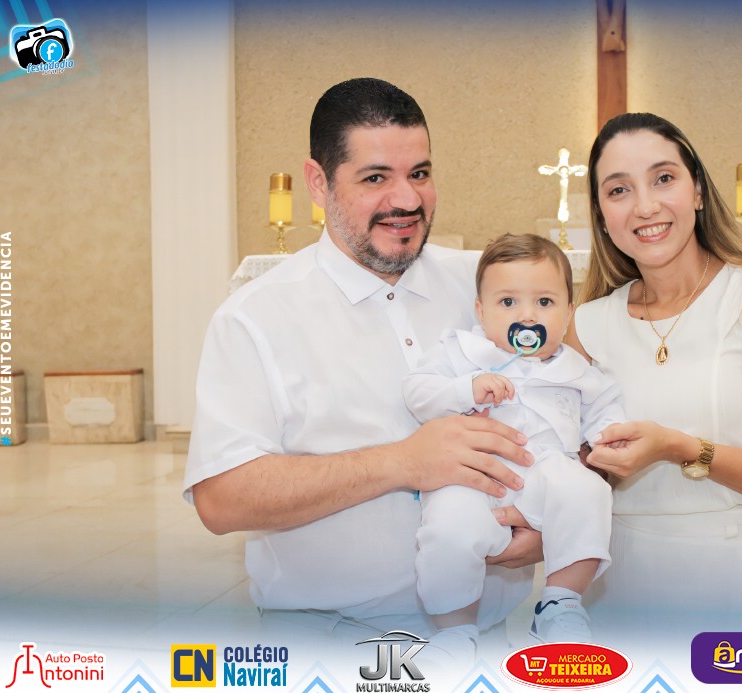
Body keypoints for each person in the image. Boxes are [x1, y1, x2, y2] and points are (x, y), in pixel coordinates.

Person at [182, 78, 541, 649]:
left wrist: (545, 522)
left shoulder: (487, 287)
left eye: (419, 173)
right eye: (375, 178)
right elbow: (222, 499)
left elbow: (561, 402)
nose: (407, 200)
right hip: (331, 644)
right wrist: (402, 463)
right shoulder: (254, 317)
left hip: (484, 638)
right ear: (318, 183)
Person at [566, 113, 742, 633]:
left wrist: (683, 448)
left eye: (663, 178)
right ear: (602, 215)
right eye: (619, 190)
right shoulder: (586, 325)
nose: (645, 206)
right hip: (619, 585)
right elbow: (569, 472)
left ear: (697, 190)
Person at [404, 233, 623, 648]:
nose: (526, 314)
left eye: (545, 302)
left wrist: (607, 435)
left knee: (589, 492)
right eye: (507, 302)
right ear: (480, 311)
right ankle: (454, 631)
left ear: (568, 312)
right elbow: (417, 391)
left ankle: (561, 603)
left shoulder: (576, 369)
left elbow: (605, 406)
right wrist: (466, 389)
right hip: (471, 475)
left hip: (546, 474)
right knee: (448, 528)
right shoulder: (462, 353)